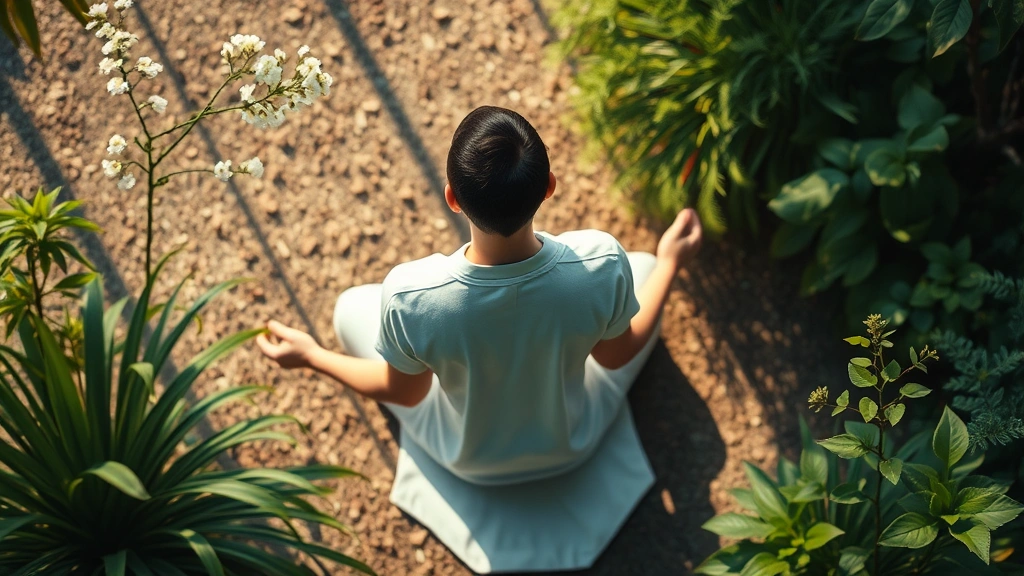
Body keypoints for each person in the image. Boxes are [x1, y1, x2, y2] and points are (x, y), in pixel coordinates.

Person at [257, 105, 702, 573]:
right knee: (645, 268)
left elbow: (404, 392)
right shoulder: (600, 262)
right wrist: (670, 261)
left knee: (349, 307)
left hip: (467, 460)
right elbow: (616, 358)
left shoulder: (413, 295)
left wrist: (313, 356)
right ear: (549, 187)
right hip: (575, 442)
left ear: (452, 197)